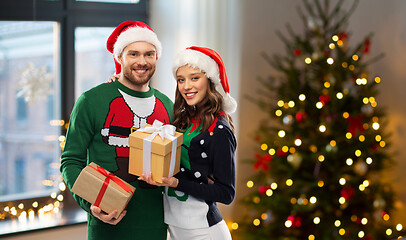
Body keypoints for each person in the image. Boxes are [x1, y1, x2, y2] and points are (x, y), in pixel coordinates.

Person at [60, 21, 173, 240]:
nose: (142, 61)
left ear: (156, 58)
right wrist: (91, 202)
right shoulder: (91, 100)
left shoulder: (167, 104)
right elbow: (71, 161)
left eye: (149, 54)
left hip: (155, 229)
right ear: (119, 57)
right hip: (107, 231)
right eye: (133, 54)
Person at [140, 46, 237, 240]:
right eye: (181, 80)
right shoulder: (180, 120)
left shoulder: (219, 130)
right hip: (176, 227)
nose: (186, 86)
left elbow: (227, 193)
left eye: (194, 78)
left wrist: (177, 183)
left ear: (209, 81)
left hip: (203, 230)